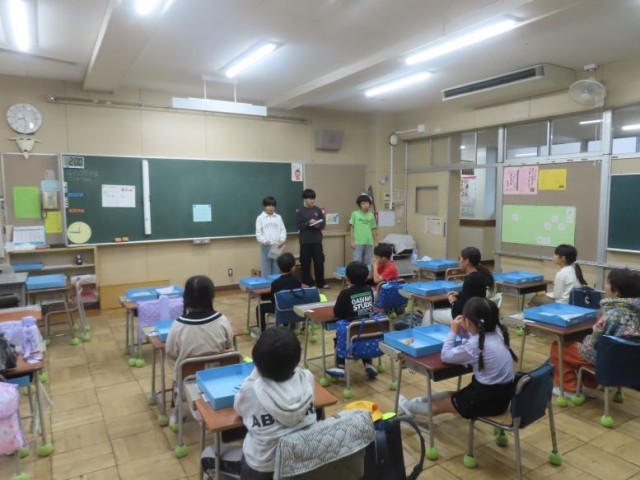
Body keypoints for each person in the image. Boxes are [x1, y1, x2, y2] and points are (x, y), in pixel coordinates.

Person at [399, 297, 517, 419]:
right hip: (503, 396)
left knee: (436, 407)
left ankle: (406, 405)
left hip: (485, 398)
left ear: (468, 322)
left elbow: (445, 356)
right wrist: (464, 333)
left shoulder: (474, 344)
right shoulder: (498, 332)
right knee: (450, 395)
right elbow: (477, 342)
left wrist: (453, 332)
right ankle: (418, 400)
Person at [235, 326, 317, 479]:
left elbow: (238, 409)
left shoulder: (250, 390)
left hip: (263, 468)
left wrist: (258, 370)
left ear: (257, 363)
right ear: (297, 359)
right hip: (302, 461)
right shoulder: (307, 378)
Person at [549, 268, 640, 395]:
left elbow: (592, 344)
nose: (605, 286)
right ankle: (590, 386)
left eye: (607, 283)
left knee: (560, 346)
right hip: (631, 363)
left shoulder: (612, 315)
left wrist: (582, 339)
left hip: (609, 361)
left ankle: (568, 389)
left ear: (616, 291)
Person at [166, 275, 235, 422]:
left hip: (187, 379)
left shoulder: (178, 326)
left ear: (186, 298)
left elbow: (171, 354)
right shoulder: (222, 320)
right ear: (211, 296)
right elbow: (229, 346)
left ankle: (177, 411)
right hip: (218, 376)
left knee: (178, 367)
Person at [327, 261, 378, 379]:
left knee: (341, 337)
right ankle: (368, 364)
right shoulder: (369, 289)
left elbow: (337, 312)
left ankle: (340, 366)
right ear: (366, 276)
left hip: (350, 330)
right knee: (363, 339)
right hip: (367, 328)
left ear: (347, 278)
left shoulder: (345, 293)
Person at [425, 246, 494, 325]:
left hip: (466, 318)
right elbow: (472, 295)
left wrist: (453, 301)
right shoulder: (481, 275)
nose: (458, 261)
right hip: (477, 314)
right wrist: (459, 294)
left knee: (428, 314)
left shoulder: (470, 280)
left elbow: (459, 311)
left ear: (467, 261)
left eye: (460, 259)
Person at [255, 252, 302, 336]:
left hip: (279, 308)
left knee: (260, 308)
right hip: (294, 307)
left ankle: (262, 331)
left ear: (279, 268)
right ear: (293, 267)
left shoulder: (275, 283)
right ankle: (289, 325)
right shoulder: (297, 280)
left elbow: (273, 299)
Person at [295, 188, 328, 288]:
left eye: (313, 199)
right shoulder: (300, 211)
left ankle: (321, 283)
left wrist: (318, 225)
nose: (312, 201)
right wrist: (308, 222)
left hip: (317, 241)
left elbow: (323, 223)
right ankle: (308, 283)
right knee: (305, 263)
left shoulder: (317, 210)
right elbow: (299, 226)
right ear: (305, 199)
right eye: (310, 199)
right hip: (305, 241)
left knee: (319, 262)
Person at [255, 196, 287, 277]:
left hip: (277, 246)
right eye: (269, 206)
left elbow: (283, 230)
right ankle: (266, 285)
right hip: (266, 246)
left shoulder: (278, 217)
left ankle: (275, 284)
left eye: (273, 206)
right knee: (266, 269)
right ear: (264, 206)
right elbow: (258, 234)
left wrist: (282, 240)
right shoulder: (260, 218)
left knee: (276, 269)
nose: (271, 208)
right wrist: (265, 241)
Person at [349, 193, 378, 265]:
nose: (365, 205)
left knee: (367, 262)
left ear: (369, 204)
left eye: (367, 203)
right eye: (363, 203)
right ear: (359, 205)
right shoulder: (355, 214)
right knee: (357, 262)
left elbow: (373, 229)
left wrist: (376, 242)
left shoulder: (371, 215)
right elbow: (352, 228)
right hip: (358, 242)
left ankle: (367, 273)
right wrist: (352, 241)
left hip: (369, 242)